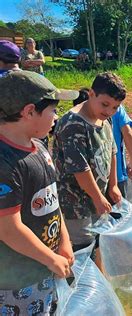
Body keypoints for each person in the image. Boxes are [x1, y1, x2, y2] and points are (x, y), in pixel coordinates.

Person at [0, 71, 77, 314]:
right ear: (29, 111)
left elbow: (51, 201)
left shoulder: (40, 147)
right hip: (17, 280)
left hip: (45, 266)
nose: (57, 117)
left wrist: (64, 240)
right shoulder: (5, 163)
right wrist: (50, 258)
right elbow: (8, 229)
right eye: (53, 110)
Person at [53, 72, 126, 251]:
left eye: (115, 107)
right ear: (91, 94)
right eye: (105, 104)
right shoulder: (73, 124)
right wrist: (98, 197)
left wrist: (113, 186)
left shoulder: (103, 119)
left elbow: (112, 152)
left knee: (98, 243)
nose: (109, 111)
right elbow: (80, 169)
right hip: (76, 204)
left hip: (96, 199)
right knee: (83, 248)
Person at [111, 105, 132, 198]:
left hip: (95, 174)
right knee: (120, 208)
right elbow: (128, 134)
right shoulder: (117, 108)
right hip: (117, 173)